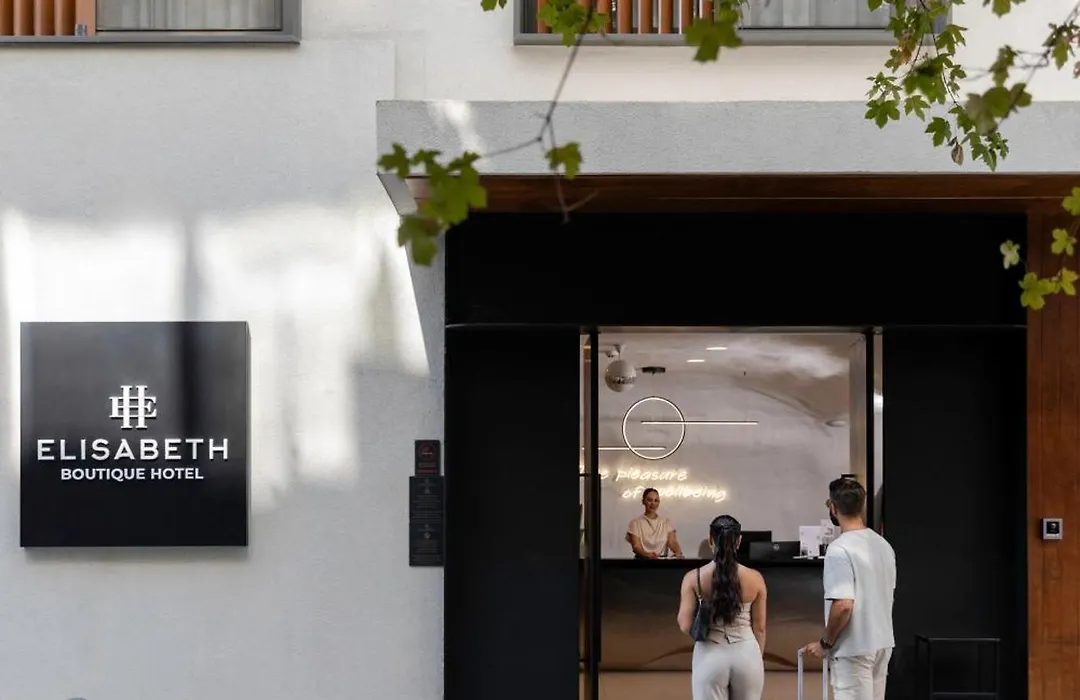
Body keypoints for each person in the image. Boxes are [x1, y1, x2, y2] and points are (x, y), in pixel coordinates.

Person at [802, 477, 896, 700]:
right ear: (861, 506)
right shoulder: (883, 545)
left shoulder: (839, 549)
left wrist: (825, 642)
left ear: (833, 508)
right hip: (882, 643)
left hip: (853, 647)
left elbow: (843, 605)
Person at [677, 515, 767, 700]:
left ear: (711, 539)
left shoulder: (693, 578)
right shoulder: (755, 578)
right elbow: (760, 628)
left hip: (710, 655)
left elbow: (684, 625)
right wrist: (756, 658)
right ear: (739, 541)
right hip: (747, 654)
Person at [625, 487, 685, 559]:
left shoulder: (666, 522)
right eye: (649, 500)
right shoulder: (635, 523)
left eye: (656, 500)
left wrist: (678, 552)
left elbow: (672, 542)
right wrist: (647, 555)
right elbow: (636, 546)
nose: (653, 503)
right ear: (643, 501)